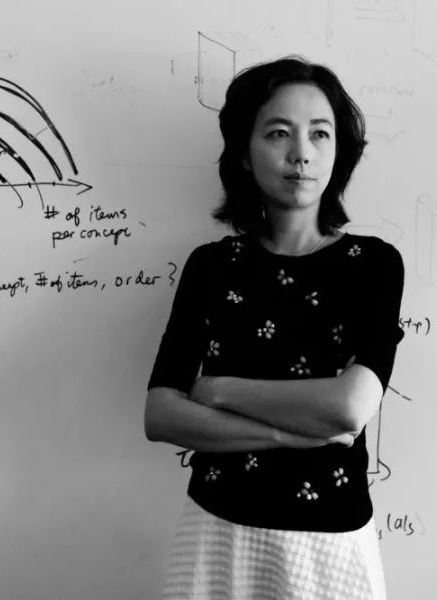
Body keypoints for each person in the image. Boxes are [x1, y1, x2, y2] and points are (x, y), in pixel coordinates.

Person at [144, 56, 405, 599]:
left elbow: (349, 407)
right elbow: (161, 414)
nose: (301, 153)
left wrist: (218, 390)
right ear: (244, 152)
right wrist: (291, 433)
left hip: (330, 541)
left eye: (320, 133)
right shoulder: (211, 266)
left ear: (339, 151)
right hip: (216, 530)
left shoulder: (374, 264)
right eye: (279, 133)